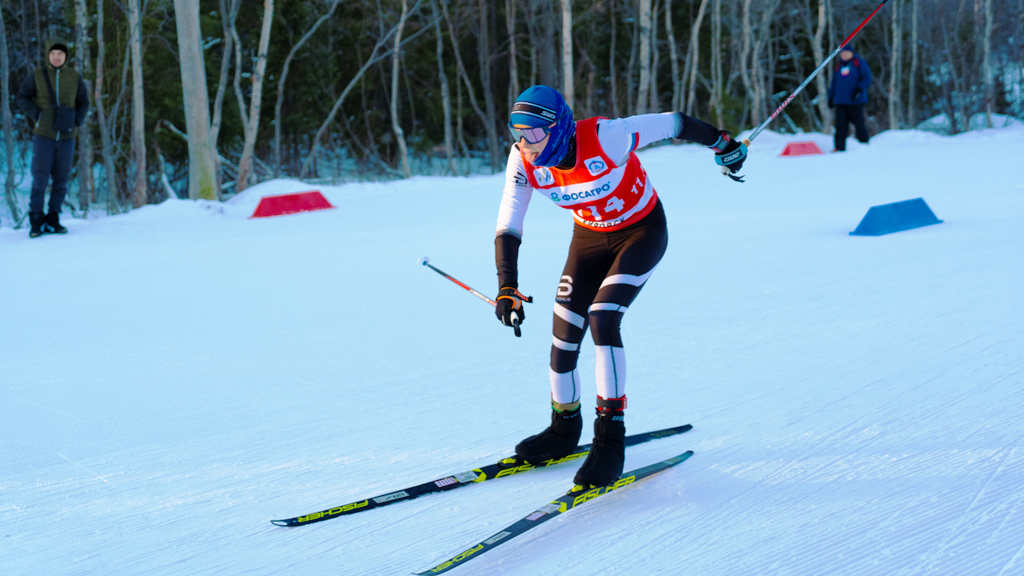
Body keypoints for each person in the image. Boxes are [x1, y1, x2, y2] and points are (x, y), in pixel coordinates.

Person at [493, 85, 747, 488]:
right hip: (590, 238)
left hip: (641, 232)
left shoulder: (606, 137)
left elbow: (673, 123)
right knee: (563, 332)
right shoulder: (523, 161)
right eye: (517, 133)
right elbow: (509, 224)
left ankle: (610, 437)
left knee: (603, 317)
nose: (526, 144)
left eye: (534, 134)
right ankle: (564, 428)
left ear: (558, 129)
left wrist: (722, 143)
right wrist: (507, 285)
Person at [16, 37, 90, 238]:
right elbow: (21, 97)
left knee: (61, 179)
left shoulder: (74, 77)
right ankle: (36, 220)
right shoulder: (37, 75)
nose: (57, 57)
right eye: (53, 54)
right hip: (44, 136)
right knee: (40, 178)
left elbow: (84, 102)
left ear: (66, 56)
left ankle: (53, 219)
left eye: (61, 54)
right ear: (48, 55)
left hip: (67, 136)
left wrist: (77, 120)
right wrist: (38, 114)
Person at [827, 43, 872, 152]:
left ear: (852, 53)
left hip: (855, 101)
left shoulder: (858, 63)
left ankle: (864, 145)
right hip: (841, 102)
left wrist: (859, 88)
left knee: (859, 124)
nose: (845, 55)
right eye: (843, 53)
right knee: (840, 126)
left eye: (847, 53)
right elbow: (834, 83)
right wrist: (831, 97)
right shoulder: (839, 66)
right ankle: (839, 147)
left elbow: (867, 78)